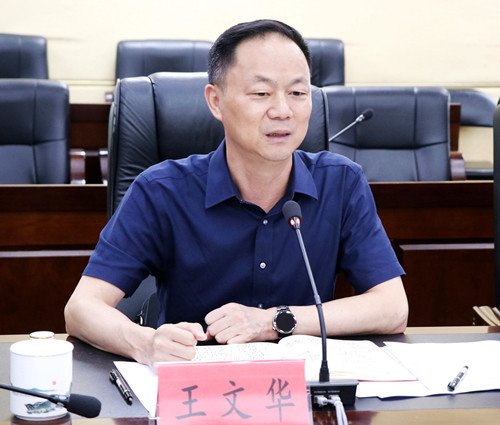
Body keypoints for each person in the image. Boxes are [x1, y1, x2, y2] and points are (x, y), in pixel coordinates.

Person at [64, 19, 408, 368]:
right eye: (261, 93)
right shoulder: (161, 190)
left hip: (302, 388)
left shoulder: (341, 182)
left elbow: (392, 308)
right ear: (216, 101)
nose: (282, 111)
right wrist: (145, 343)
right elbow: (81, 308)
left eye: (298, 93)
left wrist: (274, 321)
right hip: (196, 385)